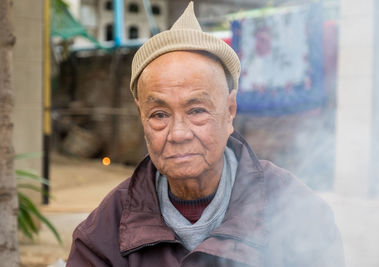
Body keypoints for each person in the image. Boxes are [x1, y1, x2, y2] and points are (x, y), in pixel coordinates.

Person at [66, 2, 345, 266]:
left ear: (230, 111)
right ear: (142, 117)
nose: (178, 134)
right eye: (159, 115)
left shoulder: (299, 213)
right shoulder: (104, 232)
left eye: (197, 110)